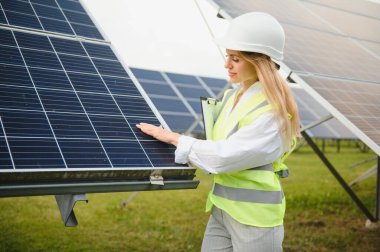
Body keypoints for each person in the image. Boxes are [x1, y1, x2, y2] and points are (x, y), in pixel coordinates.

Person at [136, 12, 300, 252]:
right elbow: (216, 145)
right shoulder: (231, 97)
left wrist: (174, 138)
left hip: (255, 218)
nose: (227, 64)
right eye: (227, 56)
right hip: (222, 208)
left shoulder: (271, 112)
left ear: (259, 62)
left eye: (236, 58)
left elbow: (224, 156)